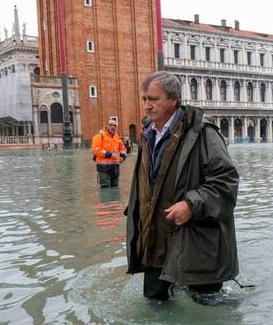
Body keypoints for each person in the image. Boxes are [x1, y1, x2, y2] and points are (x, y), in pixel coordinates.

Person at [125, 71, 240, 304]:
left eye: (153, 99)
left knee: (206, 307)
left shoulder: (204, 134)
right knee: (155, 303)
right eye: (144, 99)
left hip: (196, 241)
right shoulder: (148, 134)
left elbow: (226, 181)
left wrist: (191, 204)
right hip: (155, 238)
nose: (147, 106)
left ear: (174, 99)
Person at [91, 117, 127, 188]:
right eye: (111, 125)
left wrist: (123, 157)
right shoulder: (99, 136)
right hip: (104, 168)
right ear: (107, 126)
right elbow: (96, 150)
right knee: (105, 187)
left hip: (115, 168)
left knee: (115, 187)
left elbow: (123, 148)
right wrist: (110, 154)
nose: (113, 127)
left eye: (115, 125)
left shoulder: (117, 137)